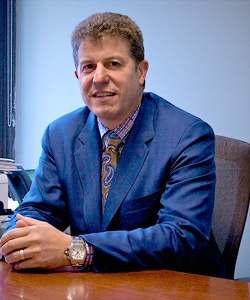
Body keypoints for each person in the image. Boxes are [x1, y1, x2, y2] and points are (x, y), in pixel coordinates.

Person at [0, 12, 225, 277]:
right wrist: (16, 239)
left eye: (113, 64)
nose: (99, 77)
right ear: (77, 76)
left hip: (175, 286)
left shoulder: (187, 136)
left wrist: (76, 249)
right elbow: (40, 208)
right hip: (97, 286)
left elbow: (180, 236)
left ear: (141, 71)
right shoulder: (60, 134)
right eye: (88, 67)